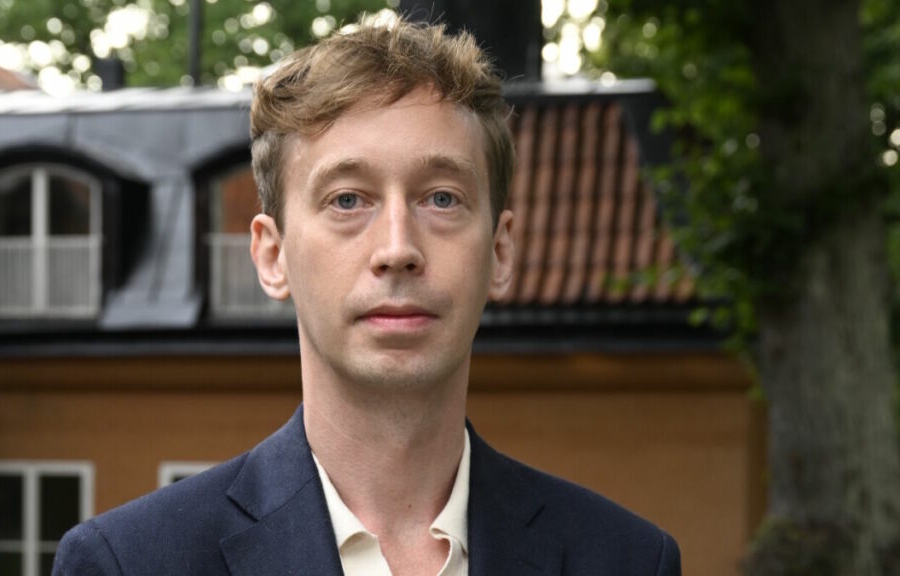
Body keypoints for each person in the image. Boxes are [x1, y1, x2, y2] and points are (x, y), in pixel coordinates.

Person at [52, 19, 681, 576]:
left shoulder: (627, 561)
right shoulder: (128, 564)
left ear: (500, 251)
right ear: (272, 256)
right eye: (347, 200)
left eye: (442, 198)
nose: (398, 248)